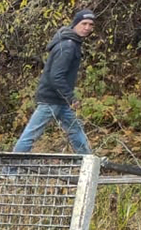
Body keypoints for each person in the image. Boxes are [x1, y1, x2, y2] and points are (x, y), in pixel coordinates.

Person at [12, 9, 95, 154]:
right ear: (75, 24)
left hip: (60, 100)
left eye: (90, 25)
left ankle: (88, 165)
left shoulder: (71, 42)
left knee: (75, 130)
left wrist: (67, 98)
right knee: (30, 135)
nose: (87, 28)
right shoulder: (68, 46)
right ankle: (8, 171)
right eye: (84, 23)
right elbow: (56, 76)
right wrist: (70, 97)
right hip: (51, 99)